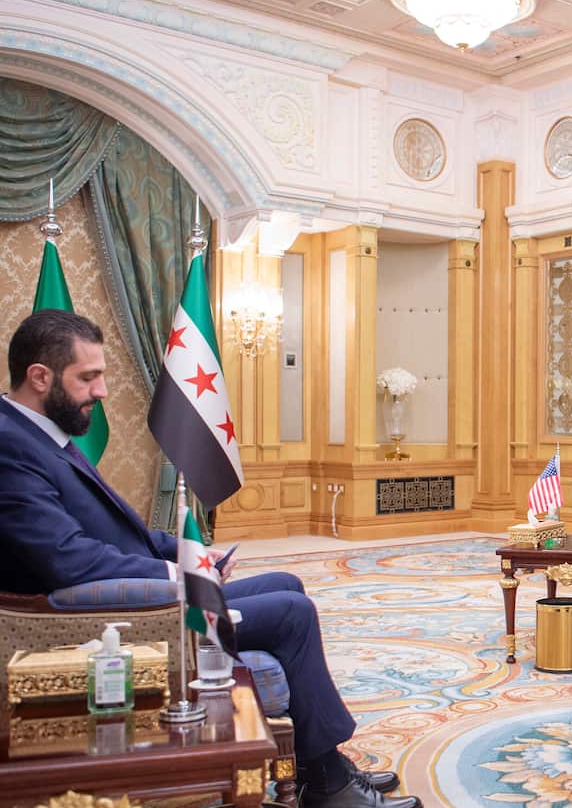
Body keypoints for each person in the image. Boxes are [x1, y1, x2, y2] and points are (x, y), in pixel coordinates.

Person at [0, 310, 421, 808]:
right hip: (110, 617)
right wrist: (176, 574)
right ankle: (328, 786)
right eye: (89, 377)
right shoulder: (11, 446)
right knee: (292, 613)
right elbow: (67, 560)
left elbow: (116, 532)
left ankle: (314, 763)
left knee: (286, 581)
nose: (103, 391)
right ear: (40, 377)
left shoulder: (39, 434)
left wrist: (191, 553)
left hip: (140, 597)